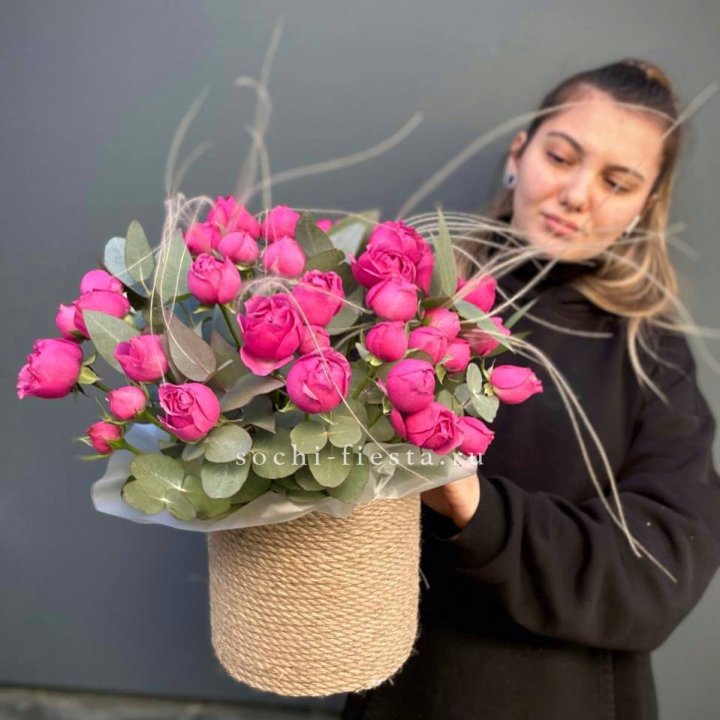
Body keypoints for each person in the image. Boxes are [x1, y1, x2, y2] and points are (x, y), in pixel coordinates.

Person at [341, 59, 720, 719]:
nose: (577, 194)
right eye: (561, 157)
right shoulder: (412, 300)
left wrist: (476, 506)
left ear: (646, 205)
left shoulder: (652, 355)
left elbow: (657, 575)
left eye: (617, 182)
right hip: (406, 693)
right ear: (519, 153)